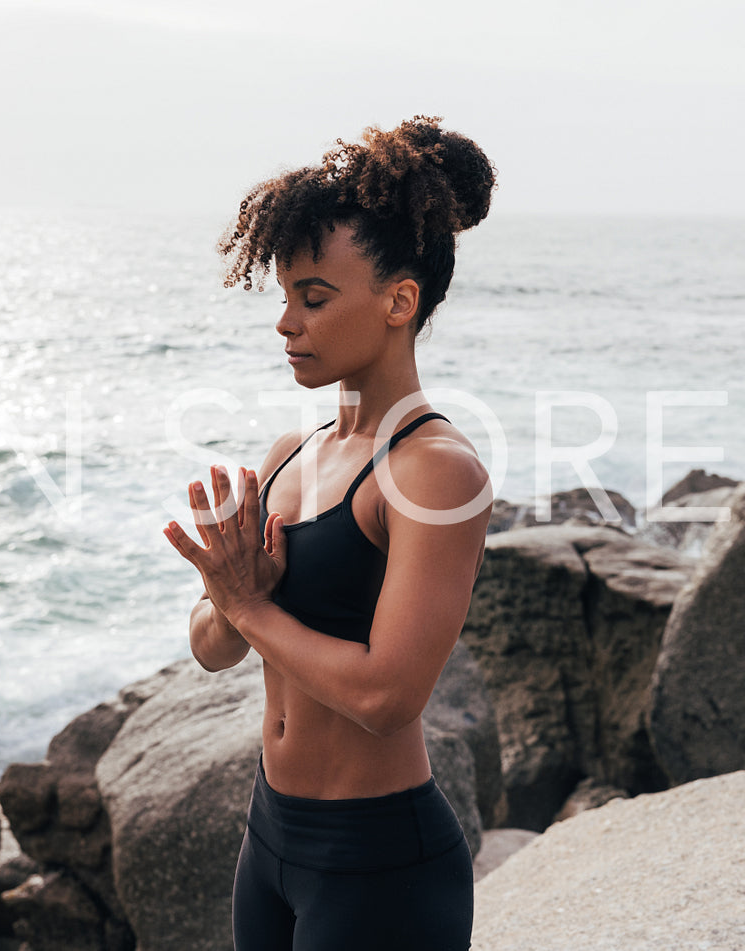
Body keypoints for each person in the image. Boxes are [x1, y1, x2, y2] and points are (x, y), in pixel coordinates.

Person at [160, 115, 497, 950]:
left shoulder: (433, 470)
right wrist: (224, 592)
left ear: (398, 301)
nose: (285, 323)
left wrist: (249, 606)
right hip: (269, 836)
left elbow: (388, 696)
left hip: (377, 862)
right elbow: (213, 648)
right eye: (283, 297)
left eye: (313, 298)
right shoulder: (291, 455)